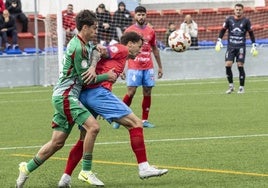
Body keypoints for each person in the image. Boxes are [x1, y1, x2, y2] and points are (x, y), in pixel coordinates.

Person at [15, 9, 117, 188]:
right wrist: (107, 76)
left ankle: (26, 168)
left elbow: (92, 52)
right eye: (93, 28)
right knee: (93, 127)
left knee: (57, 142)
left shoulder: (83, 44)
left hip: (63, 96)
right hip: (66, 96)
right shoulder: (77, 47)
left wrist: (96, 49)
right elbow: (85, 78)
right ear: (84, 27)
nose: (96, 31)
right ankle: (86, 171)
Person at [58, 31, 168, 187]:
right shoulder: (121, 49)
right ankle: (144, 167)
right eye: (139, 46)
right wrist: (93, 67)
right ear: (130, 44)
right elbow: (98, 50)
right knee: (136, 123)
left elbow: (101, 55)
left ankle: (65, 178)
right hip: (97, 93)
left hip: (87, 94)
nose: (140, 50)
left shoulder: (122, 57)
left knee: (84, 137)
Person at [113, 6, 163, 129]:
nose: (141, 17)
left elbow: (155, 49)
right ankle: (118, 118)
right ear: (135, 16)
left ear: (146, 16)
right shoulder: (129, 31)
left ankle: (145, 120)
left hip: (148, 67)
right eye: (139, 14)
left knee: (147, 92)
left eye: (143, 14)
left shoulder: (151, 31)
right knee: (131, 92)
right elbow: (122, 50)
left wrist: (160, 67)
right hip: (134, 66)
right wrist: (121, 68)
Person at [215, 3, 258, 94]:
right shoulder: (229, 20)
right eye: (237, 9)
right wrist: (219, 40)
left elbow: (251, 33)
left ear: (243, 10)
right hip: (231, 46)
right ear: (234, 10)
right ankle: (231, 86)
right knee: (228, 64)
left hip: (241, 47)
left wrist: (254, 44)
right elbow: (223, 30)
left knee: (240, 65)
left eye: (240, 9)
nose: (238, 11)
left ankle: (241, 87)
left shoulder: (246, 21)